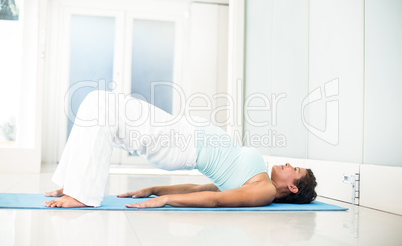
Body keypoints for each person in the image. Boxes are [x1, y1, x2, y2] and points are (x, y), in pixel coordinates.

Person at [44, 90, 317, 208]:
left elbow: (217, 201)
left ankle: (81, 194)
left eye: (294, 170)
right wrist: (156, 189)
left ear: (293, 187)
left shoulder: (265, 191)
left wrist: (166, 200)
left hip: (178, 142)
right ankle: (73, 184)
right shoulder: (257, 180)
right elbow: (204, 190)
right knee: (97, 103)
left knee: (102, 107)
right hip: (178, 133)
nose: (287, 165)